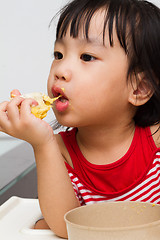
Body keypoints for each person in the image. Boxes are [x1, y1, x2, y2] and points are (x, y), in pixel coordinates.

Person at [0, 0, 160, 238]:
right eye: (59, 54)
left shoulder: (156, 140)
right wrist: (42, 143)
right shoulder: (57, 150)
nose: (60, 69)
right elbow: (65, 228)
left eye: (86, 56)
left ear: (139, 89)